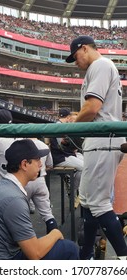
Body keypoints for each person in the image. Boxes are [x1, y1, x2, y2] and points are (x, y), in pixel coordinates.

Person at [66, 35, 127, 258]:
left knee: (99, 203)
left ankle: (123, 256)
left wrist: (70, 126)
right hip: (101, 141)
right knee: (89, 200)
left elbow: (92, 108)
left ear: (83, 49)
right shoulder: (102, 67)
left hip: (102, 141)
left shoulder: (100, 65)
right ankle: (86, 254)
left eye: (75, 57)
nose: (76, 63)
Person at [0, 139, 79, 260]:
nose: (40, 164)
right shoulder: (14, 199)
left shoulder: (1, 186)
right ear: (24, 164)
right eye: (37, 160)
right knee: (69, 248)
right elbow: (35, 254)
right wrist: (55, 233)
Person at [0, 111, 58, 234]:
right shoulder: (20, 140)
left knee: (0, 234)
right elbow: (49, 165)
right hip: (18, 189)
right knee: (35, 220)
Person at [50, 108, 84, 207]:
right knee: (84, 167)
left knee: (85, 164)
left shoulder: (61, 125)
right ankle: (73, 189)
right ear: (68, 117)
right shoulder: (59, 126)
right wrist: (72, 147)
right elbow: (62, 146)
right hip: (61, 157)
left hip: (65, 154)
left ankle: (71, 183)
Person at [25, 138, 58, 233]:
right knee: (48, 215)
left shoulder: (19, 143)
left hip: (24, 181)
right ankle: (54, 243)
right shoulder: (43, 145)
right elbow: (50, 165)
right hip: (40, 180)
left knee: (20, 214)